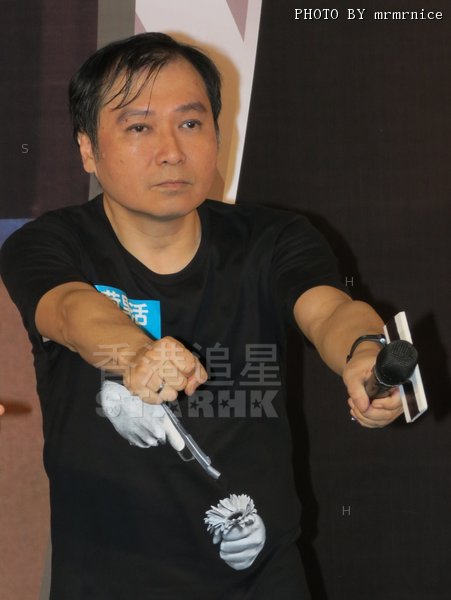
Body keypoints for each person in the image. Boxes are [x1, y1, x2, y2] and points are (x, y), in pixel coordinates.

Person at [0, 32, 403, 599]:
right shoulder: (50, 244)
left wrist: (363, 352)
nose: (171, 150)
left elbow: (330, 309)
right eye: (139, 127)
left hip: (262, 581)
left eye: (190, 123)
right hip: (108, 582)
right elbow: (69, 311)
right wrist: (137, 355)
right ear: (88, 149)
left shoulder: (272, 238)